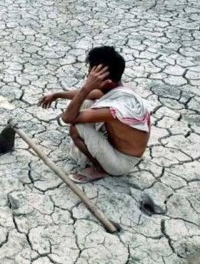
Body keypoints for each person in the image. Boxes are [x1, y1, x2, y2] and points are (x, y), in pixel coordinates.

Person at [39, 46, 151, 183]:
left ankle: (100, 169)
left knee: (76, 127)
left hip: (120, 163)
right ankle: (101, 156)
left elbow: (67, 118)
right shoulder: (119, 88)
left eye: (92, 77)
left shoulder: (114, 110)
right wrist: (57, 95)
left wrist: (87, 86)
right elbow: (91, 94)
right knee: (86, 103)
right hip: (122, 149)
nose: (89, 78)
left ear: (107, 82)